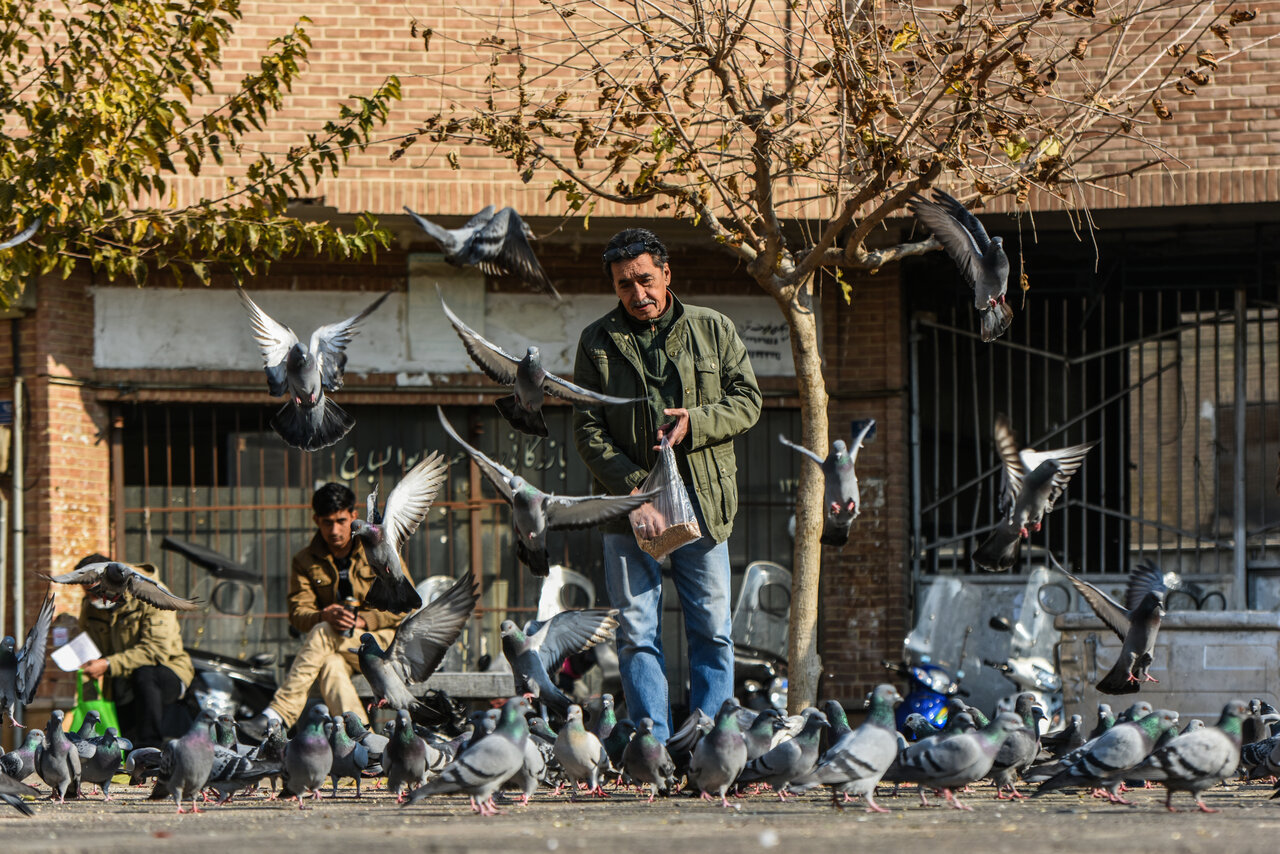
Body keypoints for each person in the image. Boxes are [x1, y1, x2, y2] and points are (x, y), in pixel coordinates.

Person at [572, 228, 762, 740]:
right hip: (629, 509)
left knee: (713, 632)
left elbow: (748, 401)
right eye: (624, 284)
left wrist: (696, 422)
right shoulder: (596, 341)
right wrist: (636, 492)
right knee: (636, 633)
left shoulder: (713, 328)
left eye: (645, 280)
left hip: (704, 502)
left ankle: (712, 743)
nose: (637, 294)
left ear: (666, 274)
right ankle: (651, 745)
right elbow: (587, 429)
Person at [238, 482, 406, 742]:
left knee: (323, 633)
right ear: (316, 520)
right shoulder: (304, 561)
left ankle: (278, 714)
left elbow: (405, 605)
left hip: (384, 647)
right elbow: (298, 614)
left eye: (341, 521)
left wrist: (365, 620)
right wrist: (324, 615)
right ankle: (365, 745)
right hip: (340, 649)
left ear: (354, 515)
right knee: (330, 665)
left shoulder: (379, 549)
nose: (335, 530)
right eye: (327, 523)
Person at [77, 554, 194, 749]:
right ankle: (128, 754)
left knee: (145, 674)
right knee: (124, 740)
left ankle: (150, 749)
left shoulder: (152, 593)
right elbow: (88, 645)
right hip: (121, 677)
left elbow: (156, 649)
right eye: (87, 594)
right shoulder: (90, 606)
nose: (92, 599)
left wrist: (108, 664)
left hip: (166, 670)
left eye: (95, 592)